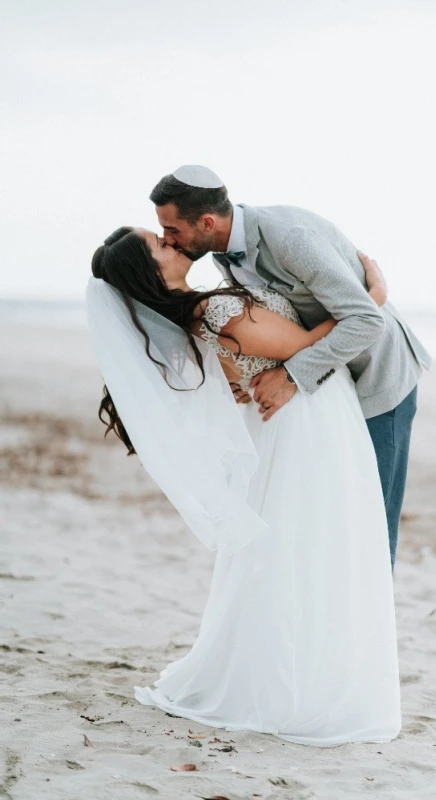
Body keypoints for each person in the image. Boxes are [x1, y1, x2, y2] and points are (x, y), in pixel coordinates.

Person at [87, 223, 401, 746]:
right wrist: (373, 298)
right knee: (312, 546)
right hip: (308, 422)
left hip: (292, 422)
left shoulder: (195, 315)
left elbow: (235, 373)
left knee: (295, 550)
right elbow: (302, 343)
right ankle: (300, 680)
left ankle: (305, 665)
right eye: (159, 245)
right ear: (151, 273)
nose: (171, 242)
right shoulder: (214, 310)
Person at [150, 165, 432, 569]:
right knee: (337, 517)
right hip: (334, 385)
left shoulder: (289, 236)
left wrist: (291, 376)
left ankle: (372, 627)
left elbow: (366, 319)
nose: (167, 238)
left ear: (207, 222)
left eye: (172, 229)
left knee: (372, 515)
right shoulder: (224, 256)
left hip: (378, 377)